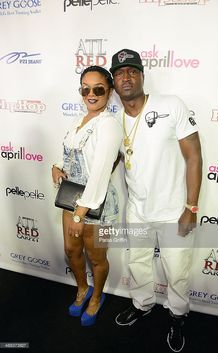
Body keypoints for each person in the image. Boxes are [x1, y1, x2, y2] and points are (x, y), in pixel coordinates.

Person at [109, 49, 202, 352]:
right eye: (120, 73)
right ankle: (142, 304)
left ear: (142, 75)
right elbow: (105, 163)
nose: (127, 77)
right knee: (137, 263)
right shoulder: (113, 123)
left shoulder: (171, 105)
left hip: (174, 209)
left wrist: (191, 207)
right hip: (137, 209)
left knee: (177, 269)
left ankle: (177, 314)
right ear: (114, 80)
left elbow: (194, 157)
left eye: (132, 71)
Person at [52, 66, 122, 326]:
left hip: (96, 203)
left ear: (110, 92)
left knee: (96, 257)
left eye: (98, 89)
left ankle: (97, 298)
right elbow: (71, 156)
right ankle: (83, 288)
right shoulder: (77, 121)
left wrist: (81, 213)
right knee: (71, 250)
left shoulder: (109, 125)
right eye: (85, 88)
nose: (91, 94)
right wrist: (57, 167)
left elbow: (101, 172)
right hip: (71, 198)